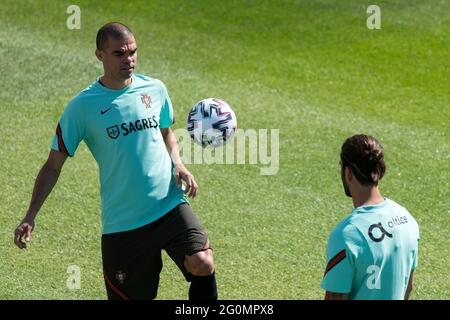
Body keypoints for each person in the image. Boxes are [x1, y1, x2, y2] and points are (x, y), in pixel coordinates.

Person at [14, 22, 217, 300]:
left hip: (169, 205)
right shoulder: (82, 107)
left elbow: (167, 133)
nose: (129, 59)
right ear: (100, 55)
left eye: (133, 52)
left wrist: (178, 163)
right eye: (120, 54)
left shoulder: (155, 89)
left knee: (202, 263)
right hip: (124, 225)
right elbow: (53, 165)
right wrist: (30, 215)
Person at [321, 134, 420, 300]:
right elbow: (408, 286)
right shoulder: (407, 219)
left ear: (348, 172)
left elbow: (335, 297)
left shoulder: (347, 235)